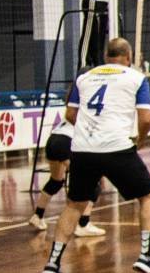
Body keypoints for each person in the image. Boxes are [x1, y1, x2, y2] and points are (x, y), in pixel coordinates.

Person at [40, 38, 150, 273]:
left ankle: (52, 264)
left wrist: (90, 131)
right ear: (128, 57)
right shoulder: (136, 77)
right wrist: (141, 139)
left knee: (74, 204)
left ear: (106, 56)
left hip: (83, 149)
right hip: (116, 146)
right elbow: (146, 119)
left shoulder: (85, 77)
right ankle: (146, 256)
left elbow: (70, 114)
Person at [28, 99, 104, 236]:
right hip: (66, 142)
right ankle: (83, 224)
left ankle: (38, 215)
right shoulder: (92, 111)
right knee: (91, 183)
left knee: (56, 181)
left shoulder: (75, 108)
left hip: (53, 140)